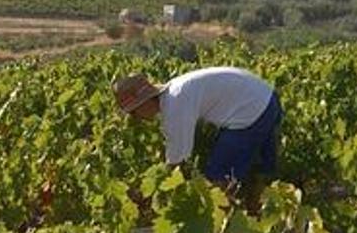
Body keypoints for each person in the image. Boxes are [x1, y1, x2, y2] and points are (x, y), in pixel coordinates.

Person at [113, 67, 282, 188]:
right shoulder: (175, 92)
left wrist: (160, 187)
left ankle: (221, 230)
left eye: (134, 112)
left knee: (218, 178)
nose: (135, 118)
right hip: (266, 96)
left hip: (252, 111)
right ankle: (261, 214)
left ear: (144, 103)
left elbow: (178, 161)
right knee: (262, 172)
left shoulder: (174, 108)